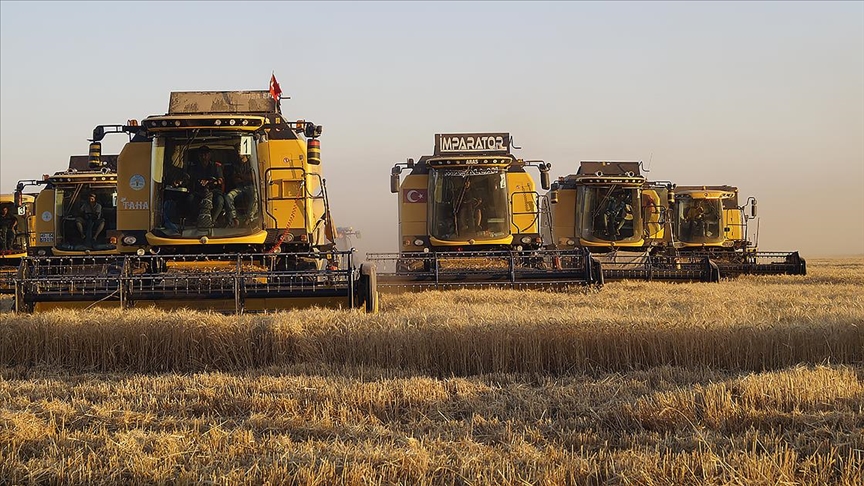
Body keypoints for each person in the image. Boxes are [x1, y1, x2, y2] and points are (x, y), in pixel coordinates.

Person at [188, 146, 225, 229]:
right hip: (200, 192)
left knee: (220, 200)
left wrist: (209, 181)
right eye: (201, 155)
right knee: (190, 198)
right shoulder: (194, 168)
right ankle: (197, 220)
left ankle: (212, 221)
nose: (203, 157)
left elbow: (221, 180)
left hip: (213, 191)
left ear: (210, 155)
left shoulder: (216, 166)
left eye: (205, 154)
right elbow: (189, 179)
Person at [224, 152, 258, 227]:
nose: (238, 152)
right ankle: (234, 218)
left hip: (251, 187)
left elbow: (253, 177)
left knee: (256, 195)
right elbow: (235, 179)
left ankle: (249, 218)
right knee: (228, 196)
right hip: (240, 188)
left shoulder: (252, 163)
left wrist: (241, 176)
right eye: (237, 150)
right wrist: (245, 177)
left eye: (240, 150)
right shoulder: (235, 165)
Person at [162, 167, 190, 235]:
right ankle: (174, 230)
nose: (177, 185)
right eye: (177, 182)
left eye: (179, 184)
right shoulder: (167, 179)